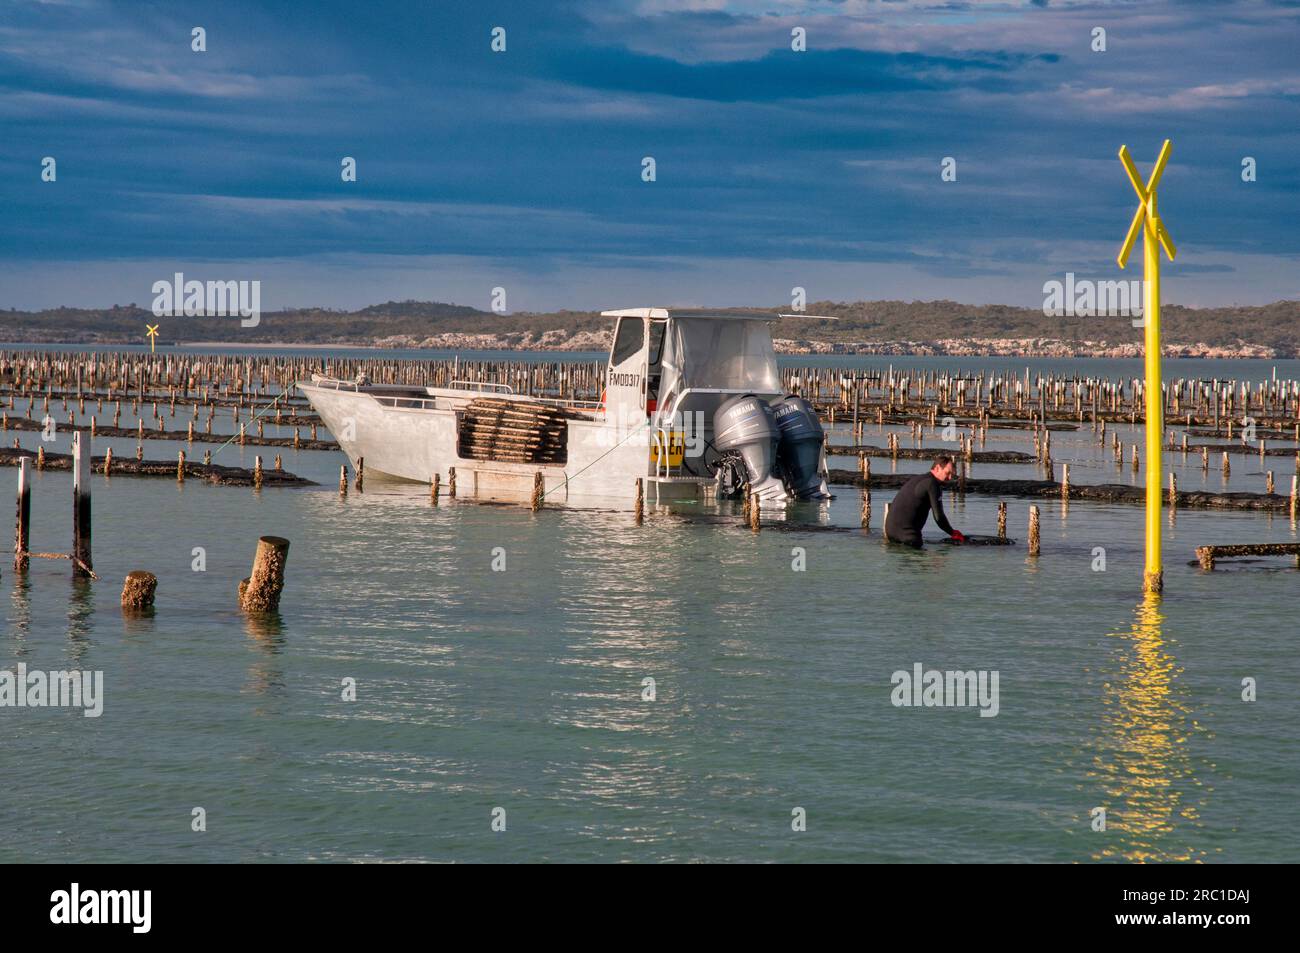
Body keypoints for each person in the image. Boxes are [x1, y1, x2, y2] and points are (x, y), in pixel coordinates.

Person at [884, 454, 965, 548]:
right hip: (909, 537)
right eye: (948, 473)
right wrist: (953, 533)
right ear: (937, 468)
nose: (950, 478)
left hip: (890, 533)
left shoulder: (919, 479)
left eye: (952, 475)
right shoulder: (932, 484)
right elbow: (939, 517)